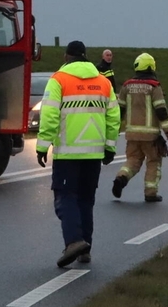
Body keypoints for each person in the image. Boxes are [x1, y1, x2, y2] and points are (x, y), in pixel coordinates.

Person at [36, 40, 120, 267]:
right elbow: (114, 118)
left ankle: (74, 242)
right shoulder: (103, 82)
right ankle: (85, 249)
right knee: (85, 200)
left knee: (66, 198)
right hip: (93, 154)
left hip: (68, 153)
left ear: (66, 57)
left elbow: (50, 116)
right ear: (86, 57)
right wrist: (110, 147)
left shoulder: (58, 80)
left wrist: (42, 146)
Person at [110, 53, 168, 203]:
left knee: (132, 160)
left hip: (131, 134)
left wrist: (116, 128)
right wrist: (167, 129)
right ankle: (150, 192)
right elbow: (160, 109)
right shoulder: (154, 86)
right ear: (152, 67)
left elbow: (119, 110)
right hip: (150, 136)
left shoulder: (126, 86)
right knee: (153, 162)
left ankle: (121, 178)